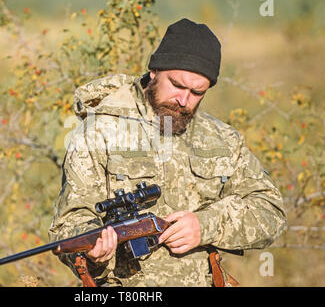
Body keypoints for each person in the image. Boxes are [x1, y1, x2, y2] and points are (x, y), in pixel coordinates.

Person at [48, 18, 286, 287]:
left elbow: (270, 211)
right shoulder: (99, 130)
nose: (183, 100)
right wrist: (93, 254)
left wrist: (205, 225)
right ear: (154, 71)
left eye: (197, 92)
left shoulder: (222, 139)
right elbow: (69, 225)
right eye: (177, 85)